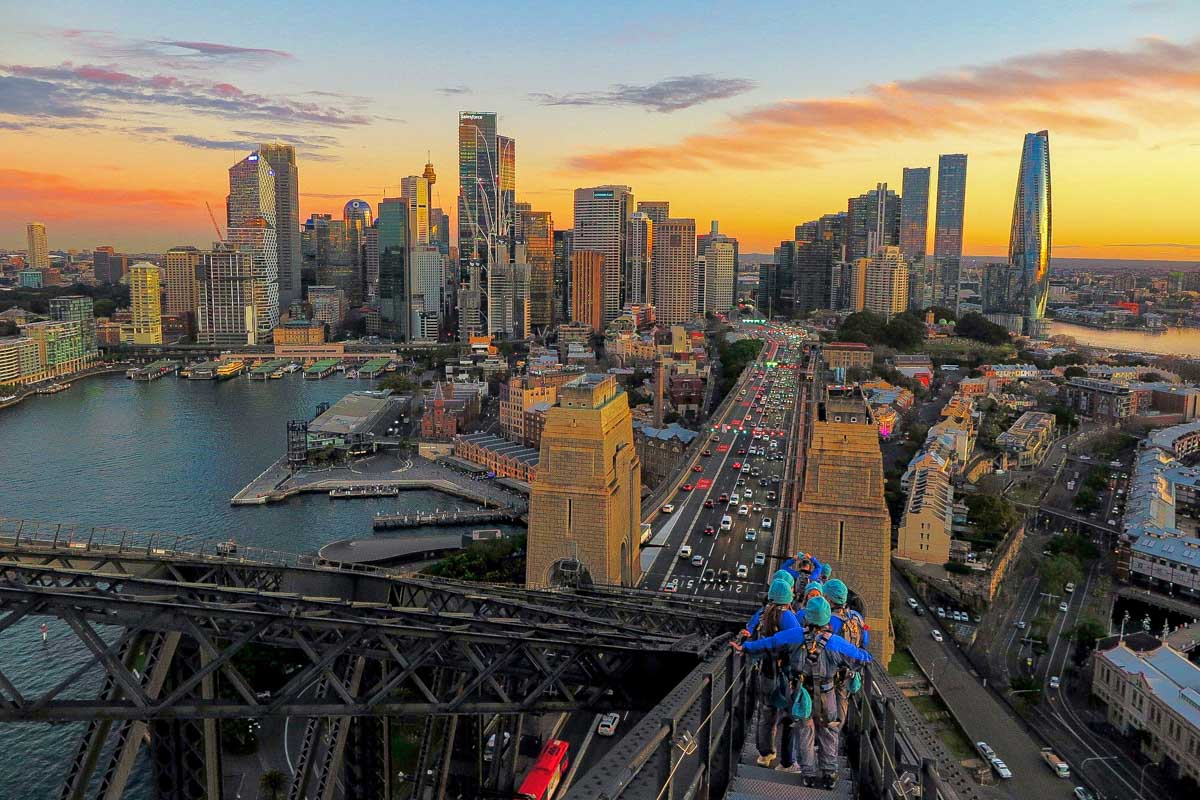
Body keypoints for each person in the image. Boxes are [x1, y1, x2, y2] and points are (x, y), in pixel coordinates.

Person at [737, 596, 872, 788]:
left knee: (805, 732)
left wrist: (745, 647)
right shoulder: (835, 643)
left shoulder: (795, 636)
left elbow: (770, 643)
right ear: (826, 618)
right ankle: (829, 774)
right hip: (827, 693)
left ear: (807, 617)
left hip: (801, 693)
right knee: (829, 731)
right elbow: (861, 657)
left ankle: (808, 774)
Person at [737, 577, 800, 768]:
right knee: (790, 715)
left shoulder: (762, 614)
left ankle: (765, 754)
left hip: (764, 671)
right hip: (784, 674)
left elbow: (750, 633)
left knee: (766, 712)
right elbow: (796, 642)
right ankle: (787, 761)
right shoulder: (788, 617)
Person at [823, 578, 869, 725]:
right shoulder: (857, 617)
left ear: (829, 599)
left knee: (826, 705)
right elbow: (865, 641)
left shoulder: (829, 619)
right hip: (849, 670)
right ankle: (837, 730)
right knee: (842, 701)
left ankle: (826, 731)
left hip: (830, 671)